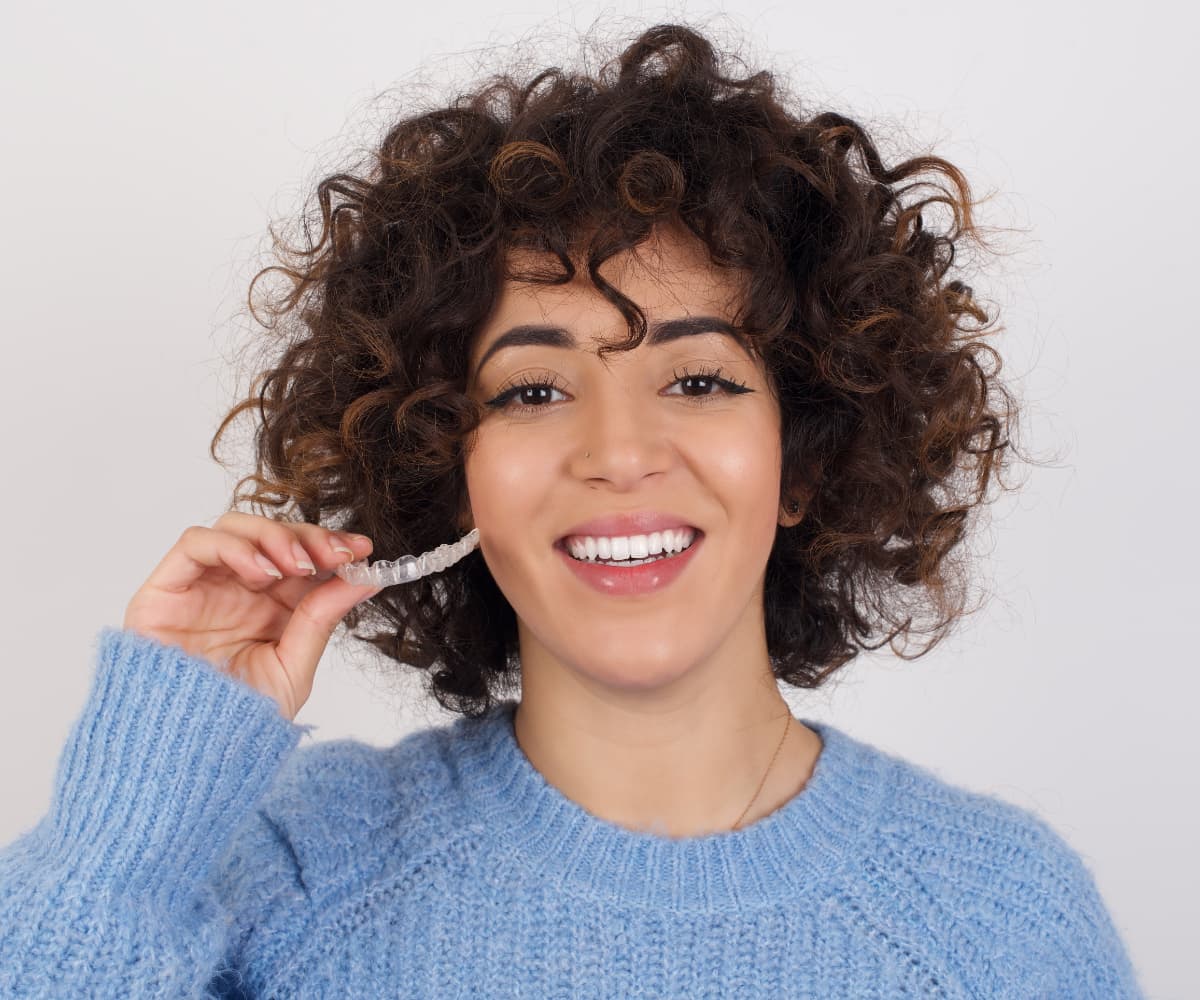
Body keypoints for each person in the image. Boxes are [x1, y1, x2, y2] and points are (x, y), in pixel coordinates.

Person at [0, 21, 1144, 998]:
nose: (618, 451)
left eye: (698, 380)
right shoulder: (290, 870)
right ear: (451, 466)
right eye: (534, 389)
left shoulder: (998, 927)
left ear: (805, 459)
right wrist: (134, 818)